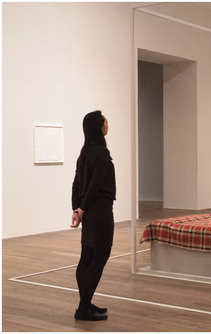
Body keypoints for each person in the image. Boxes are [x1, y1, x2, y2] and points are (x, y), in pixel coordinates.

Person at [71, 110, 116, 321]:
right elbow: (96, 185)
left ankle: (86, 304)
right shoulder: (101, 153)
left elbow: (77, 184)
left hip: (89, 213)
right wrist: (82, 208)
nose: (108, 122)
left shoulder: (84, 152)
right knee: (99, 257)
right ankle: (82, 309)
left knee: (87, 258)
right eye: (105, 120)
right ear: (98, 127)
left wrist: (77, 209)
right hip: (100, 212)